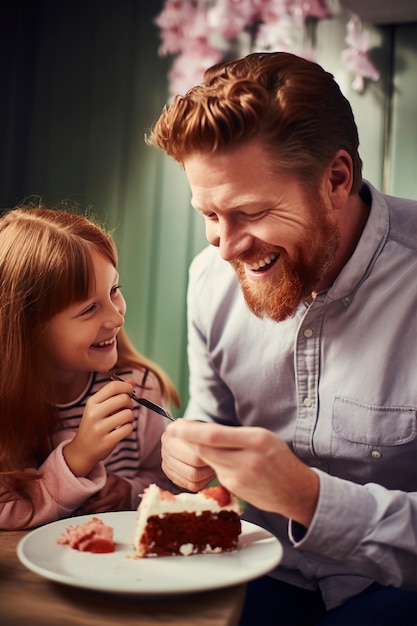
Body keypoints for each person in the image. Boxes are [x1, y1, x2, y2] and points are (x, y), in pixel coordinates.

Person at [146, 52, 417, 625]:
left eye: (249, 212)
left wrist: (310, 499)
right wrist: (190, 452)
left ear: (336, 179)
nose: (224, 246)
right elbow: (211, 426)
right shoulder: (209, 280)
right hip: (255, 571)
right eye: (209, 214)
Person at [0, 205, 179, 530]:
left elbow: (171, 479)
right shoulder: (6, 408)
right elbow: (7, 512)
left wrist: (130, 491)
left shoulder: (139, 388)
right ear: (30, 329)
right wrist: (77, 458)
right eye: (89, 309)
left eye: (114, 291)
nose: (116, 317)